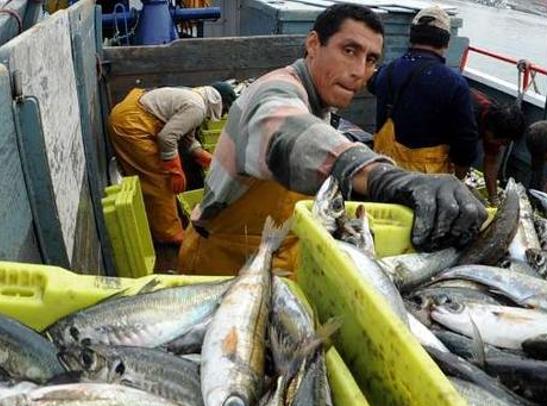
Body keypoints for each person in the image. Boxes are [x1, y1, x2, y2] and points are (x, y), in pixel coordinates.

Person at [177, 3, 486, 275]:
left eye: (371, 59)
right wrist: (383, 178)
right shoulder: (276, 90)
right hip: (221, 266)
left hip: (269, 257)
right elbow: (286, 132)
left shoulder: (320, 103)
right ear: (313, 44)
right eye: (349, 50)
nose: (359, 71)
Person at [108, 81, 237, 244]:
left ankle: (158, 220)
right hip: (132, 123)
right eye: (225, 109)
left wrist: (209, 160)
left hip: (132, 110)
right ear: (220, 104)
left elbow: (187, 140)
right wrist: (175, 171)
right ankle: (170, 234)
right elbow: (167, 138)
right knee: (159, 181)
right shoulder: (197, 108)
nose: (224, 113)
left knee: (155, 177)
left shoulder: (196, 98)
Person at [370, 5, 479, 176]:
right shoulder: (455, 85)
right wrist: (459, 178)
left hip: (381, 174)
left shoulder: (387, 72)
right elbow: (466, 143)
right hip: (426, 181)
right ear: (447, 42)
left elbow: (372, 83)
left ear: (412, 36)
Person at [471, 89, 526, 204]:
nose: (502, 146)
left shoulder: (495, 125)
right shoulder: (469, 116)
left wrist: (494, 198)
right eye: (501, 142)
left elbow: (491, 161)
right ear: (490, 132)